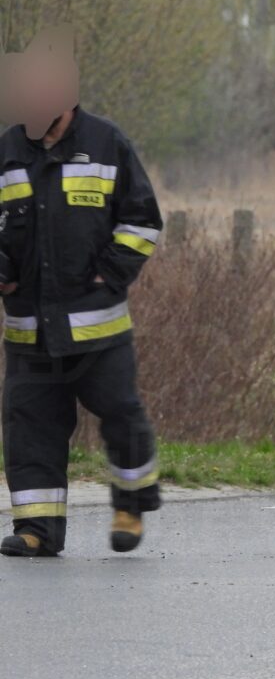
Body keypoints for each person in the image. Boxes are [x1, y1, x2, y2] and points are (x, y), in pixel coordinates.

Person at [0, 104, 163, 557]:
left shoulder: (107, 144)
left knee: (121, 415)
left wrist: (107, 276)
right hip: (28, 330)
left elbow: (142, 222)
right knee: (30, 426)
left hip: (98, 328)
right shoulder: (7, 150)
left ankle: (131, 504)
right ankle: (37, 529)